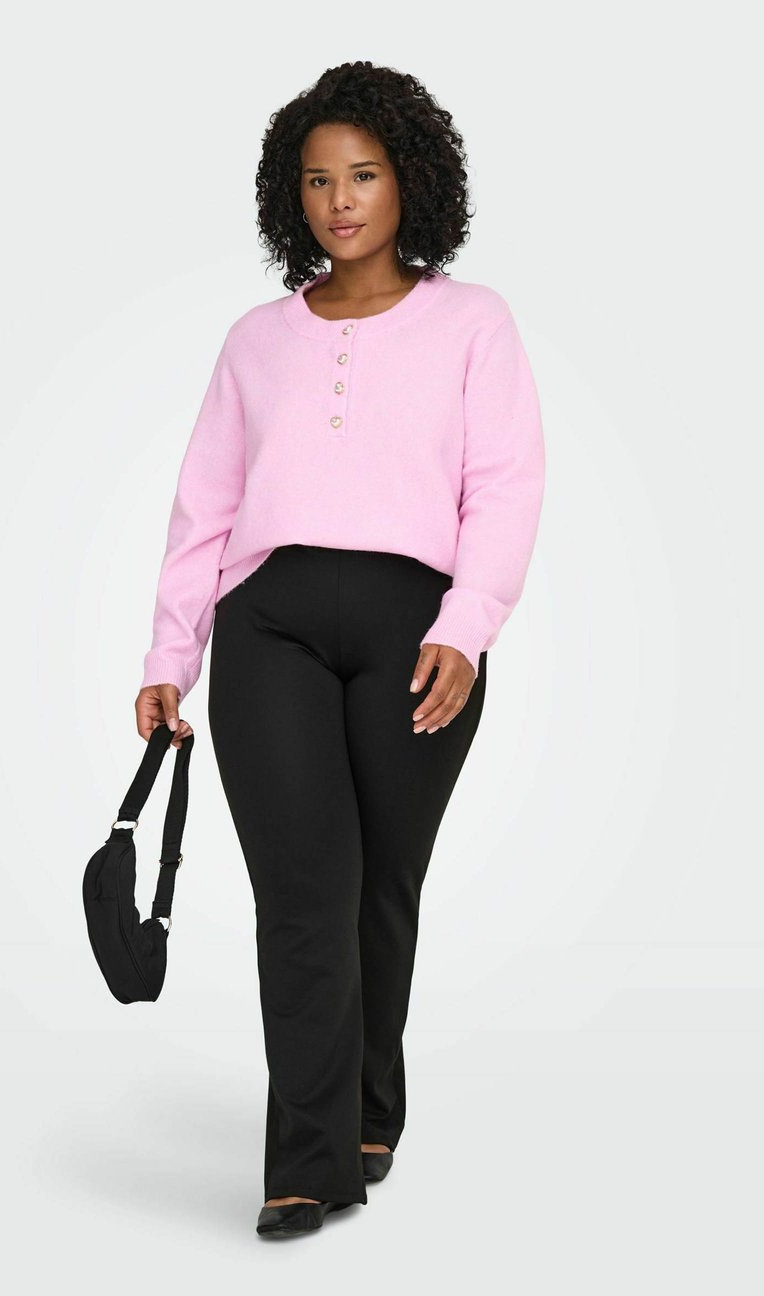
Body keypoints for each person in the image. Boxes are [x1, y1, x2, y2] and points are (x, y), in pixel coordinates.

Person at [134, 60, 545, 1239]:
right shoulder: (255, 342)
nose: (340, 201)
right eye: (317, 181)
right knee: (304, 890)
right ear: (291, 194)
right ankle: (307, 1161)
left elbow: (504, 485)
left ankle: (369, 1106)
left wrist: (467, 627)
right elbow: (203, 509)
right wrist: (170, 656)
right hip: (271, 627)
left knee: (381, 886)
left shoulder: (474, 323)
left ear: (409, 179)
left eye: (362, 175)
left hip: (419, 633)